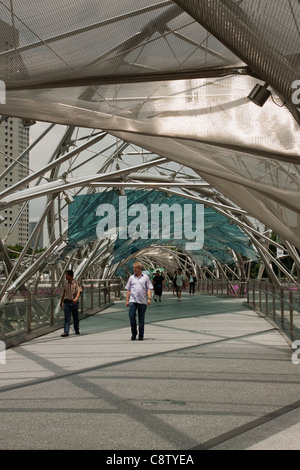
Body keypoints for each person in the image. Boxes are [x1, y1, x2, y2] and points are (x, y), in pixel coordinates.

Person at [125, 262, 153, 341]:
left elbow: (149, 288)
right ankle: (134, 333)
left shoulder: (145, 277)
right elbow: (128, 290)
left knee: (141, 319)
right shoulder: (131, 278)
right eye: (133, 268)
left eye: (135, 268)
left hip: (142, 301)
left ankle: (141, 335)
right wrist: (127, 300)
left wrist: (149, 298)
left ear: (140, 269)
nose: (134, 270)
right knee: (131, 316)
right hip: (133, 301)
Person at [60, 269, 82, 337]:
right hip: (66, 302)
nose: (65, 276)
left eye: (66, 275)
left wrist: (76, 298)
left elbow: (79, 291)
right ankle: (66, 332)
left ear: (70, 275)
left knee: (76, 317)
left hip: (74, 302)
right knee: (67, 318)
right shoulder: (65, 283)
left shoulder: (76, 283)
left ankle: (76, 329)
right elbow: (64, 292)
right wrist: (61, 301)